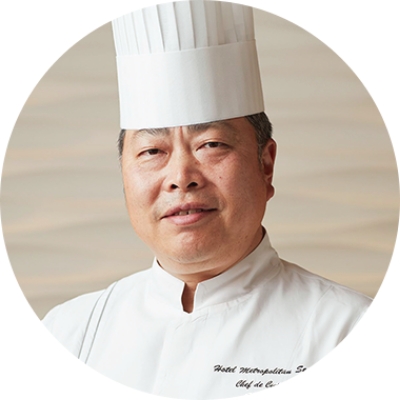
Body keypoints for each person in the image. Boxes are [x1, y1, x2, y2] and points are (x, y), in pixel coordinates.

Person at [42, 2, 371, 399]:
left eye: (211, 144)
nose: (181, 177)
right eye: (152, 151)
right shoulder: (69, 333)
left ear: (266, 165)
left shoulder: (350, 332)